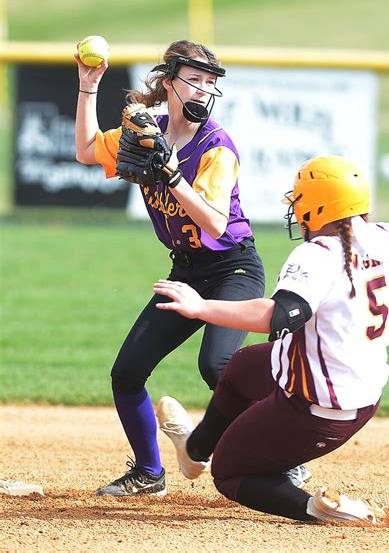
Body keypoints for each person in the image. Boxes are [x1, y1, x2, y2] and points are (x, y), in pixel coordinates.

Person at [153, 155, 389, 523]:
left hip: (321, 406)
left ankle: (316, 508)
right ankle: (194, 452)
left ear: (319, 207)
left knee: (230, 473)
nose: (295, 209)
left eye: (300, 201)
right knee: (242, 366)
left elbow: (276, 316)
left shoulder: (319, 254)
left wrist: (202, 307)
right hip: (354, 383)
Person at [74, 39, 266, 497]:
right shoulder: (146, 132)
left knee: (219, 366)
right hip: (186, 270)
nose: (203, 90)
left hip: (233, 269)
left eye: (210, 83)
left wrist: (171, 174)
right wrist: (88, 87)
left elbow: (216, 222)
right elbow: (85, 151)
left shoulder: (217, 146)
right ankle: (148, 472)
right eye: (194, 80)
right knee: (126, 372)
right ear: (168, 82)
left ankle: (283, 462)